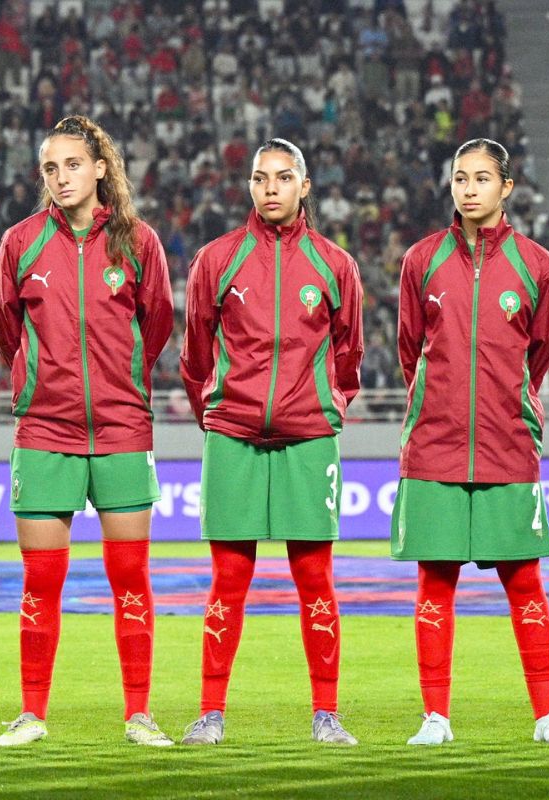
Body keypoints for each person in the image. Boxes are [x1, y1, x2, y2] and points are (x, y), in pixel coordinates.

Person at [392, 138, 549, 747]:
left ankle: (548, 717)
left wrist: (508, 404)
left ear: (507, 188)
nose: (468, 188)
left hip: (507, 446)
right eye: (459, 178)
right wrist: (442, 404)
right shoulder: (421, 260)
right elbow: (408, 351)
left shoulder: (538, 266)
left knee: (524, 580)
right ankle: (435, 718)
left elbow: (540, 354)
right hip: (434, 446)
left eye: (481, 178)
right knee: (435, 581)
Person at [0, 116, 174, 746]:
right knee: (41, 581)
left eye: (73, 164)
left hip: (123, 431)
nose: (61, 178)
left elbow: (156, 328)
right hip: (44, 430)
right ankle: (32, 715)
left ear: (100, 168)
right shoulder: (20, 244)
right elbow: (6, 334)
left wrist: (119, 385)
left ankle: (139, 715)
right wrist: (49, 385)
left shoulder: (139, 242)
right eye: (50, 168)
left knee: (131, 579)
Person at [179, 138, 364, 746]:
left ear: (304, 186)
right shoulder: (216, 259)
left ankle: (326, 713)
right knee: (228, 577)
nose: (271, 189)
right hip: (232, 434)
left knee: (316, 577)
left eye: (283, 178)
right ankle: (210, 712)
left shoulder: (335, 265)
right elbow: (194, 352)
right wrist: (214, 411)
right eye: (261, 179)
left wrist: (328, 405)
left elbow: (350, 351)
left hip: (308, 439)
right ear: (250, 186)